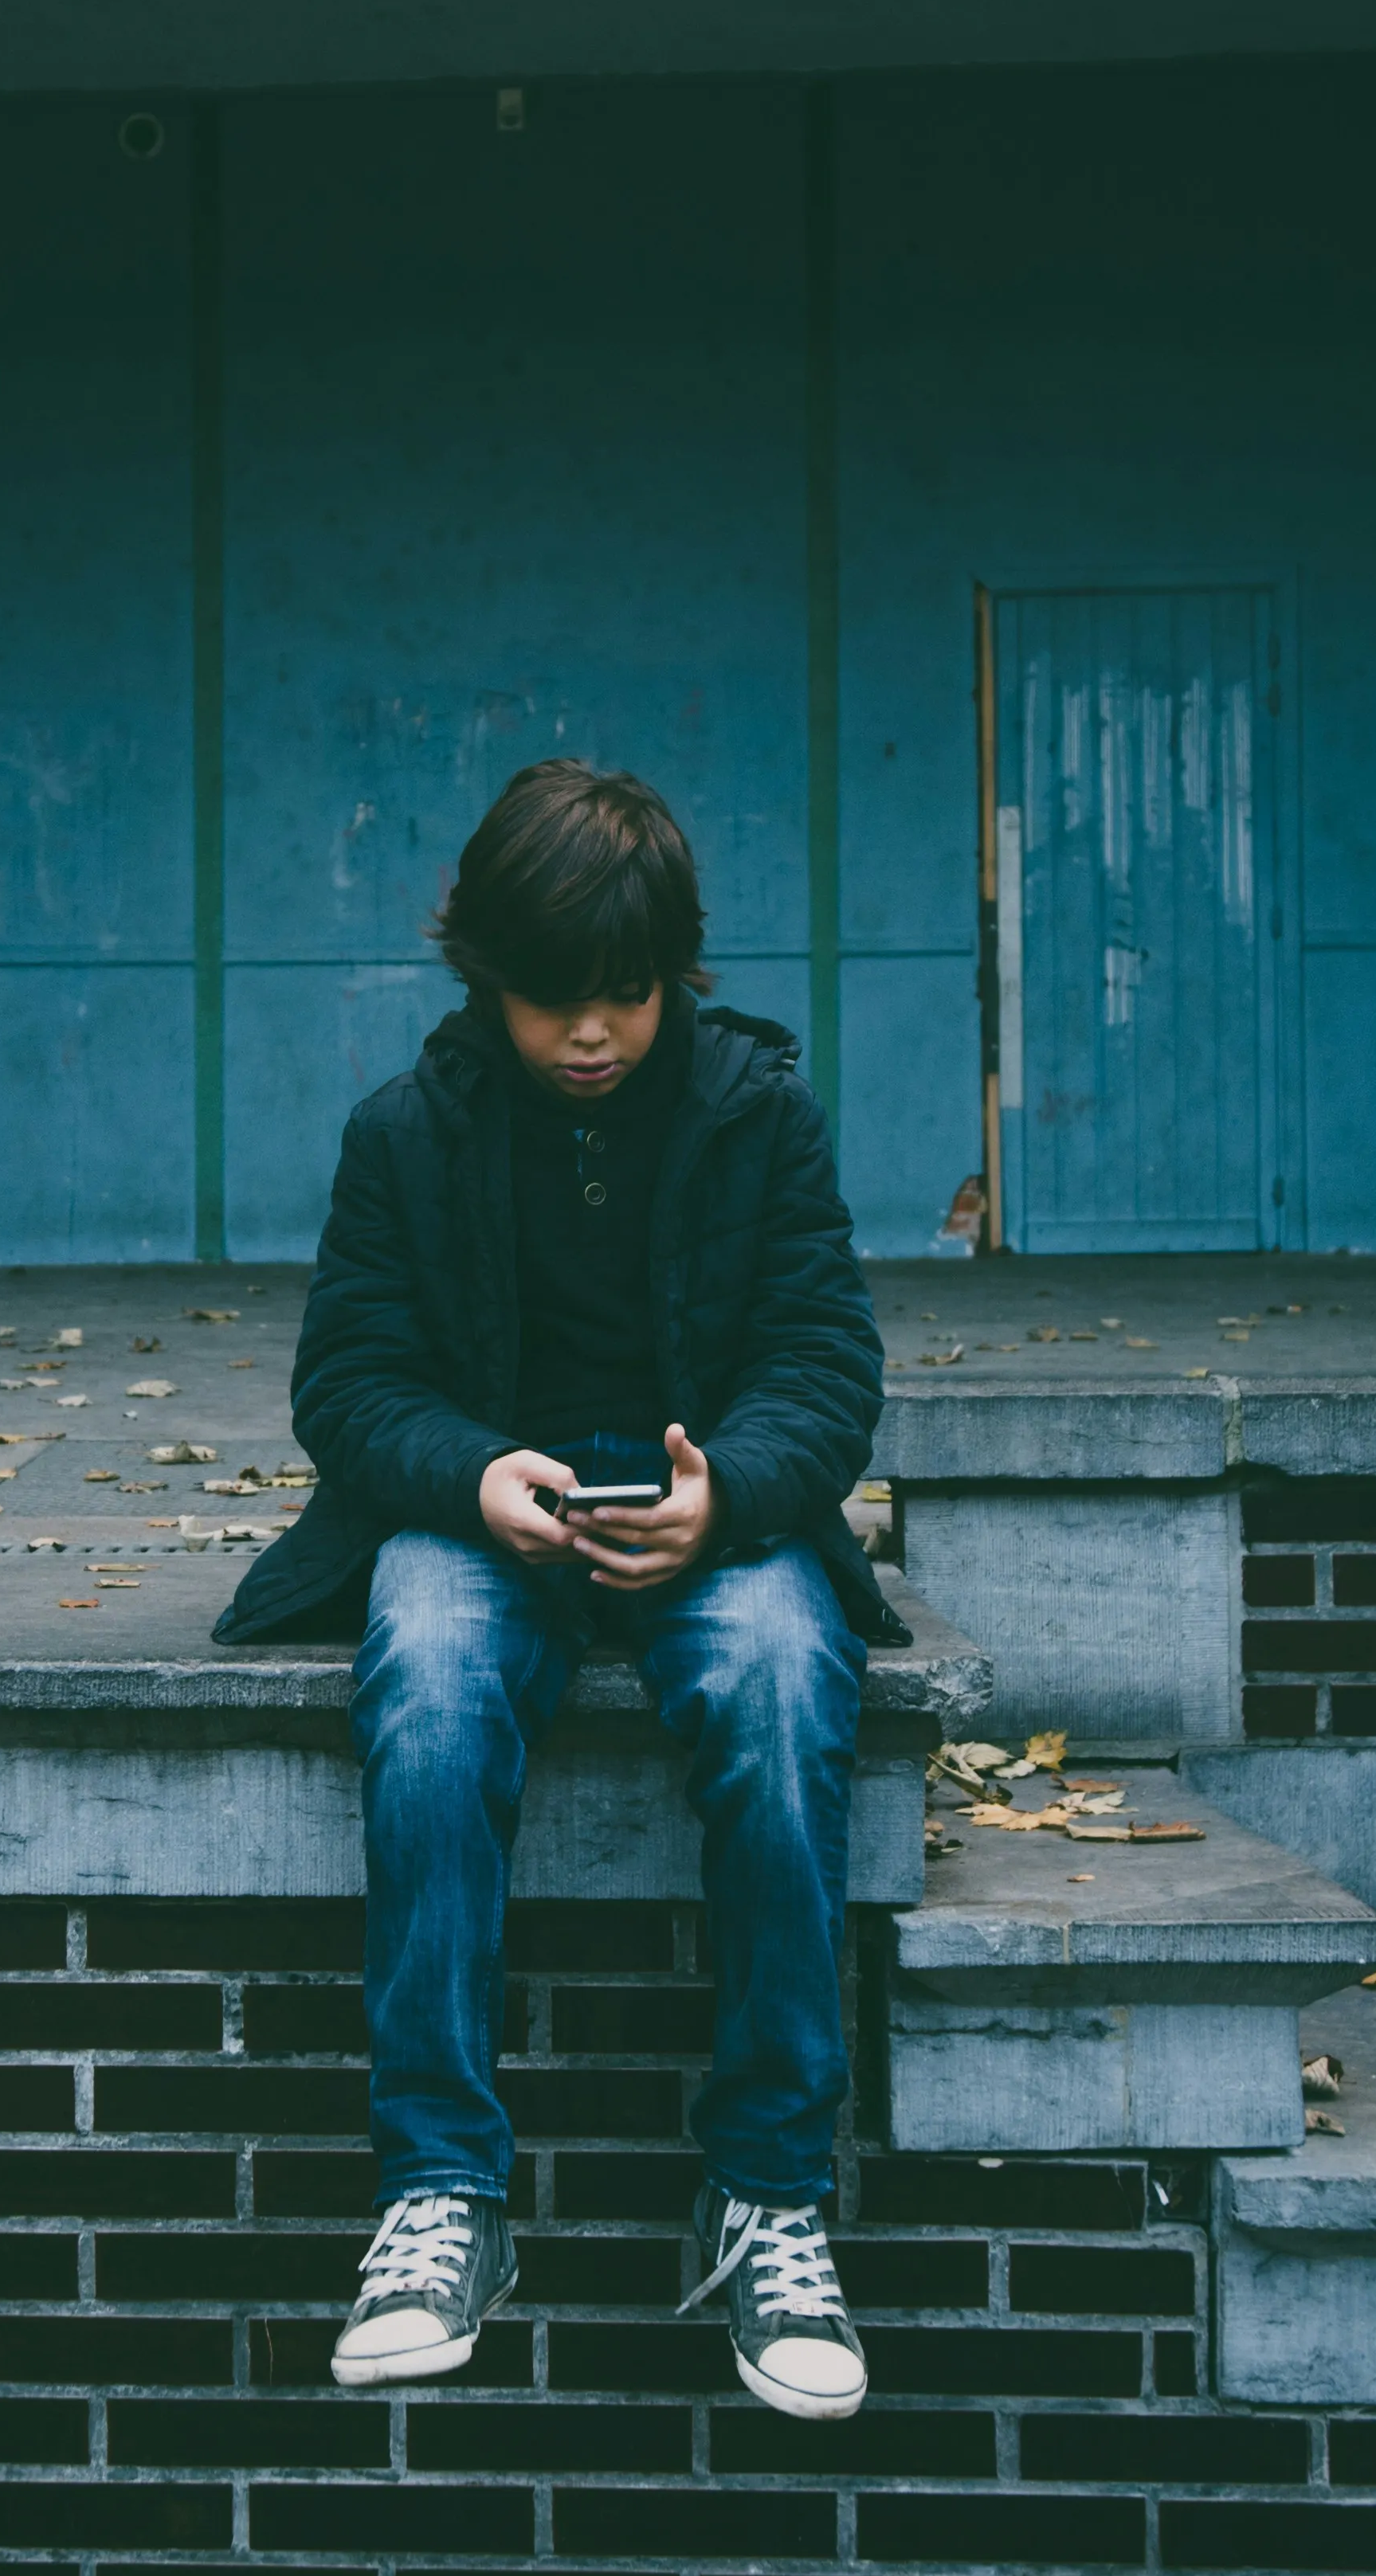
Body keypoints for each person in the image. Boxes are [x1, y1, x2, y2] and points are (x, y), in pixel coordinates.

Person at [213, 759, 896, 2421]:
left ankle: (770, 2195)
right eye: (550, 999)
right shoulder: (406, 1132)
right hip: (482, 1503)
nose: (590, 1033)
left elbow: (825, 1359)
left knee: (787, 1685)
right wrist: (468, 1475)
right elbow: (351, 1377)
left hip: (710, 1508)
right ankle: (439, 2192)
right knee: (431, 1682)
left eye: (627, 994)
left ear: (675, 975)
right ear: (482, 973)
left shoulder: (758, 1113)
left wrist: (727, 1489)